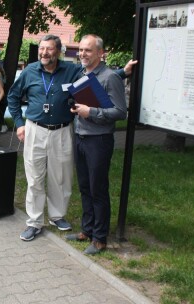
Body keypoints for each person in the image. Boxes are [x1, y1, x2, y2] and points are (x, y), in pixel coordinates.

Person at [8, 35, 81, 241]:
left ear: (58, 52)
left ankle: (57, 215)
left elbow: (97, 77)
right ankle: (34, 222)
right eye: (42, 49)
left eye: (49, 49)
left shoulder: (71, 70)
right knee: (35, 178)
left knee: (61, 177)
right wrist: (19, 124)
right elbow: (13, 97)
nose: (44, 53)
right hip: (35, 129)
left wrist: (122, 72)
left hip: (62, 130)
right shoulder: (30, 71)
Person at [65, 34, 127, 255]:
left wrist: (90, 112)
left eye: (88, 50)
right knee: (84, 187)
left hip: (98, 141)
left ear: (101, 53)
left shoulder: (110, 77)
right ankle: (87, 230)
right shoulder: (82, 74)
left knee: (97, 189)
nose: (82, 54)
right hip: (80, 137)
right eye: (80, 50)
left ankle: (100, 238)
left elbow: (120, 112)